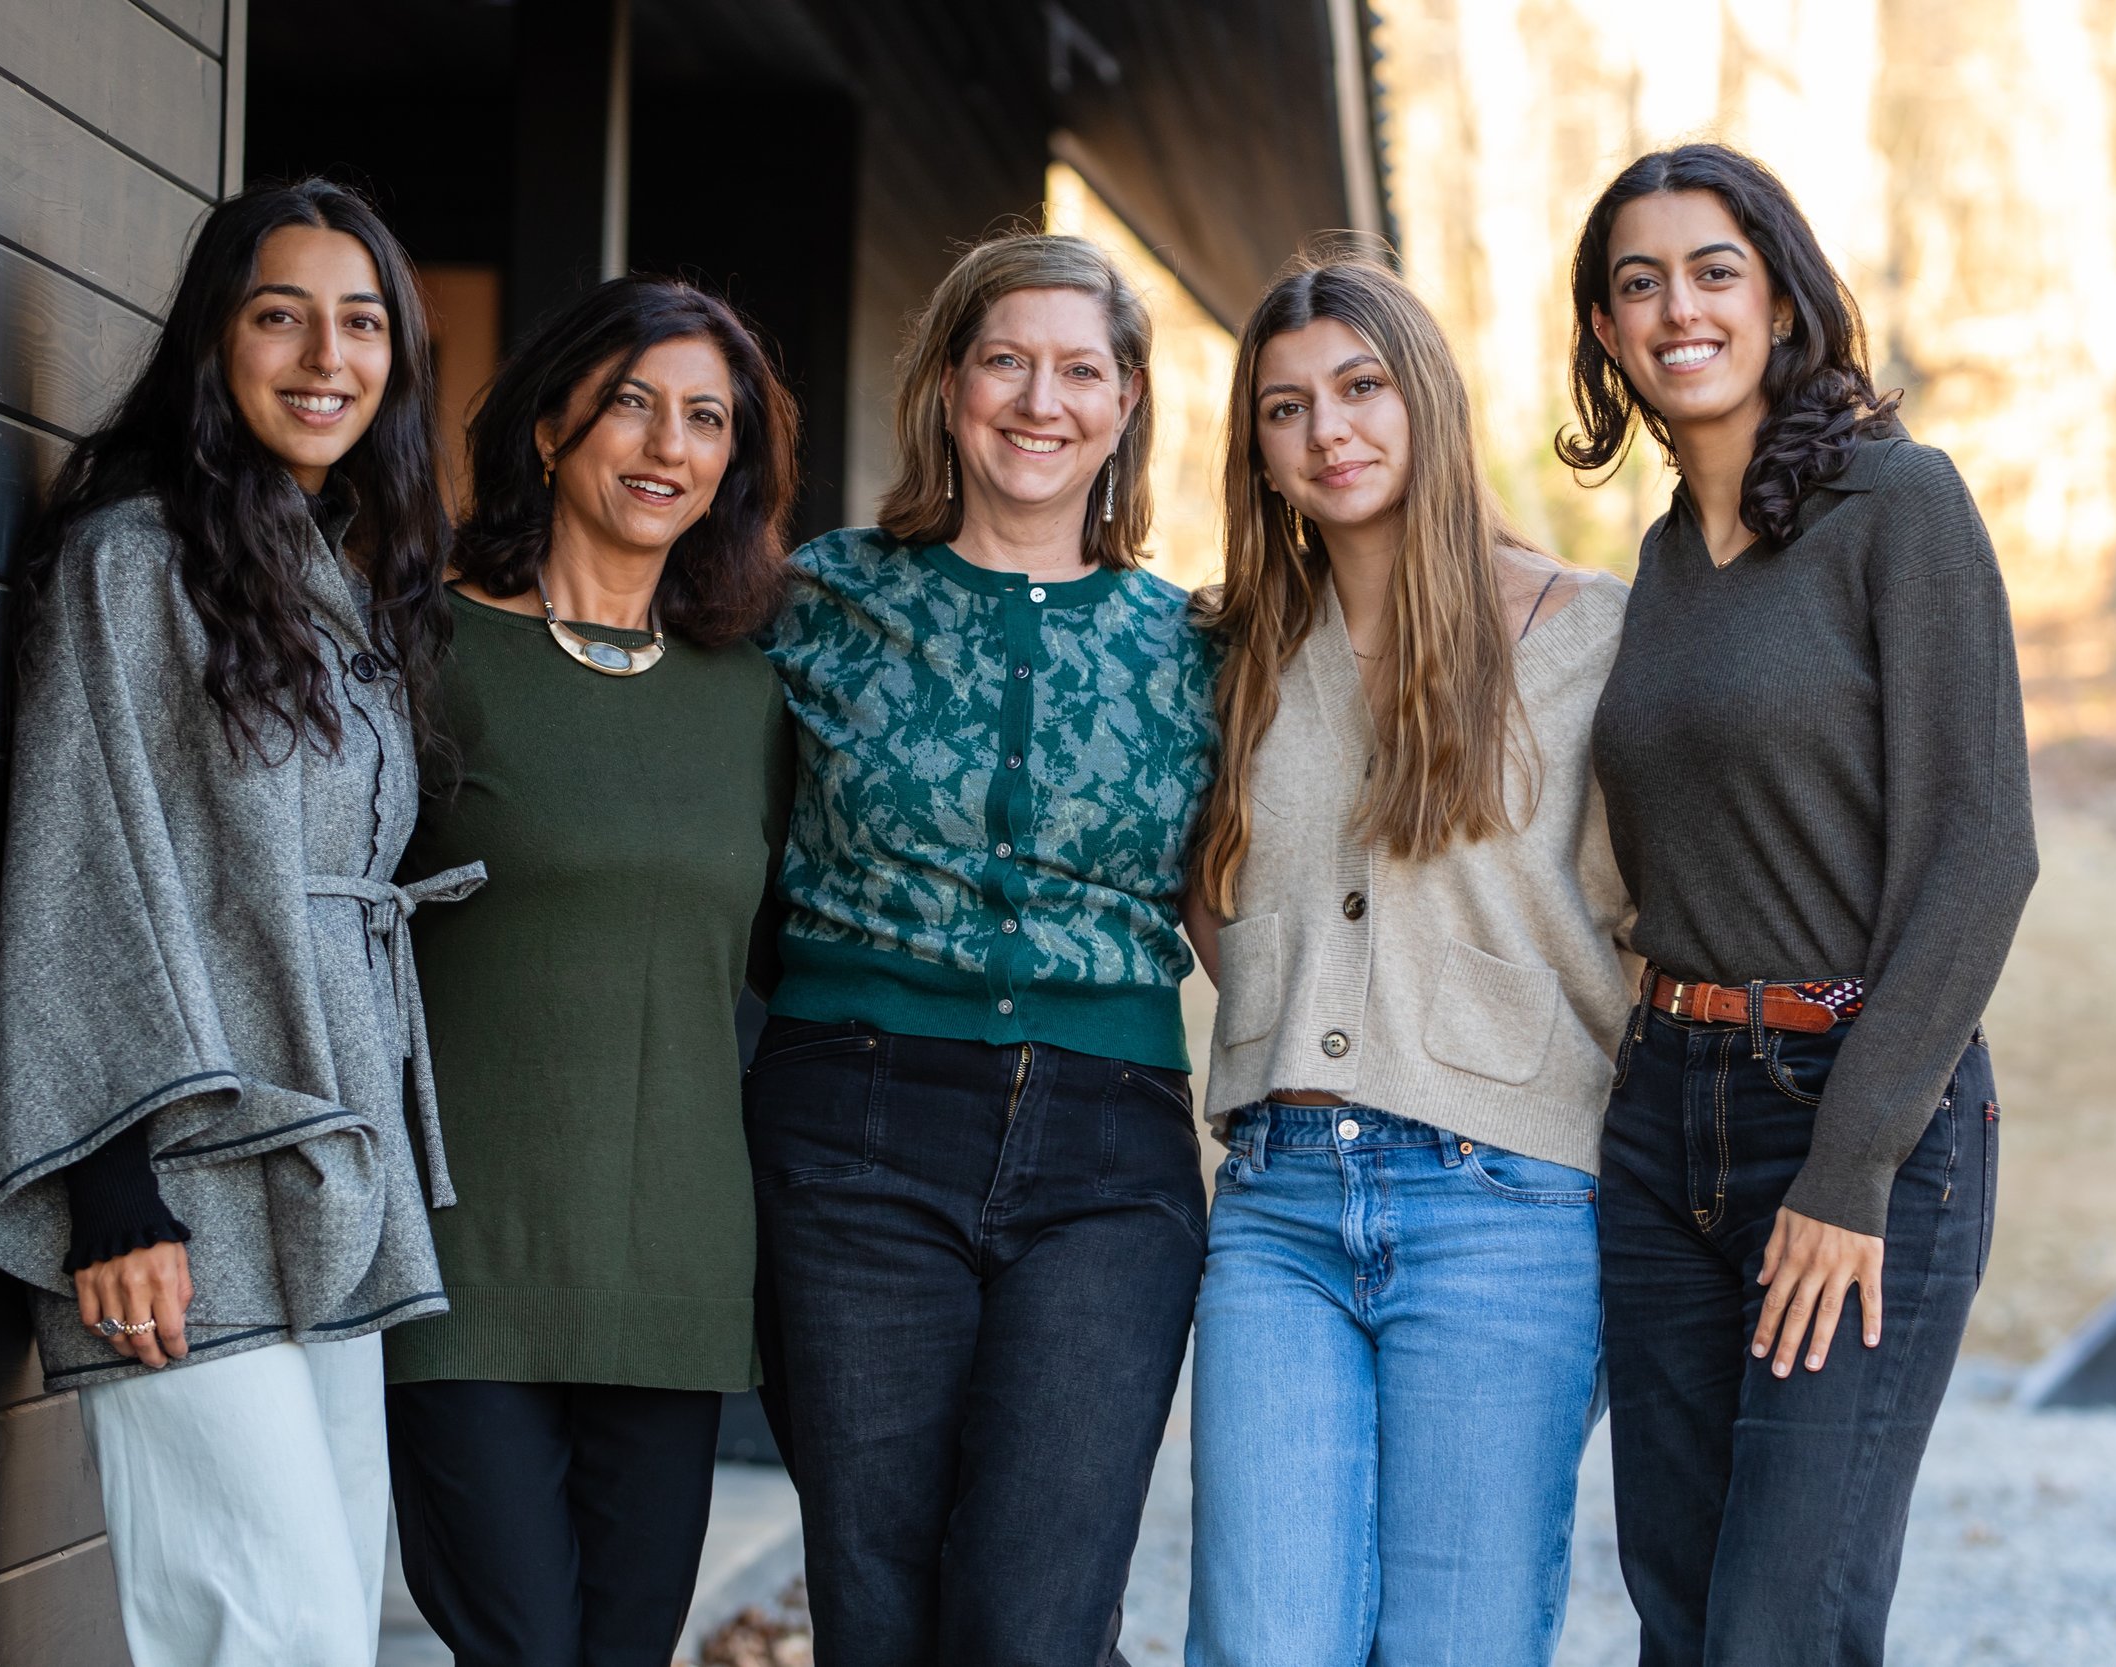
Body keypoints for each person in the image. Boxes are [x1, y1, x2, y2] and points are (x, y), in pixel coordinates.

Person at [0, 177, 476, 1666]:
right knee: (270, 1627)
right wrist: (117, 1193)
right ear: (215, 337)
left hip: (329, 1167)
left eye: (362, 323)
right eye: (281, 317)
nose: (326, 356)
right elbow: (86, 860)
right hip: (179, 1181)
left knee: (314, 1622)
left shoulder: (340, 585)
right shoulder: (135, 561)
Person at [1562, 142, 2038, 1665]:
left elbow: (1980, 851)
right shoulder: (1658, 565)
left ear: (1781, 298)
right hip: (1663, 1128)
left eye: (1714, 271)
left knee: (1782, 1627)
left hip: (1849, 1116)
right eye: (1637, 284)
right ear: (1604, 334)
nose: (1676, 308)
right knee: (1683, 1617)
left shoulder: (1898, 506)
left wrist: (1847, 1174)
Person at [747, 231, 1218, 1664]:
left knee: (1039, 1620)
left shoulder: (1200, 642)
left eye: (1081, 370)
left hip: (1108, 1157)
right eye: (1006, 361)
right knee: (876, 1604)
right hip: (852, 1133)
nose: (1040, 400)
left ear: (1128, 405)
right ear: (949, 386)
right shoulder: (819, 604)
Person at [1182, 253, 1633, 1666]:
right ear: (1255, 447)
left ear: (1425, 395)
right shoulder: (1234, 648)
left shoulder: (1591, 635)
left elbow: (1647, 916)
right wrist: (1281, 985)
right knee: (1265, 1645)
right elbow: (1197, 880)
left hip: (1509, 1208)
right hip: (1278, 1209)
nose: (1330, 433)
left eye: (1362, 387)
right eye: (1286, 408)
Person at [381, 277, 799, 1667]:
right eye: (631, 403)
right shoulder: (421, 647)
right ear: (553, 423)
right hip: (466, 1260)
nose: (665, 447)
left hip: (677, 1274)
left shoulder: (750, 697)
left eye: (705, 419)